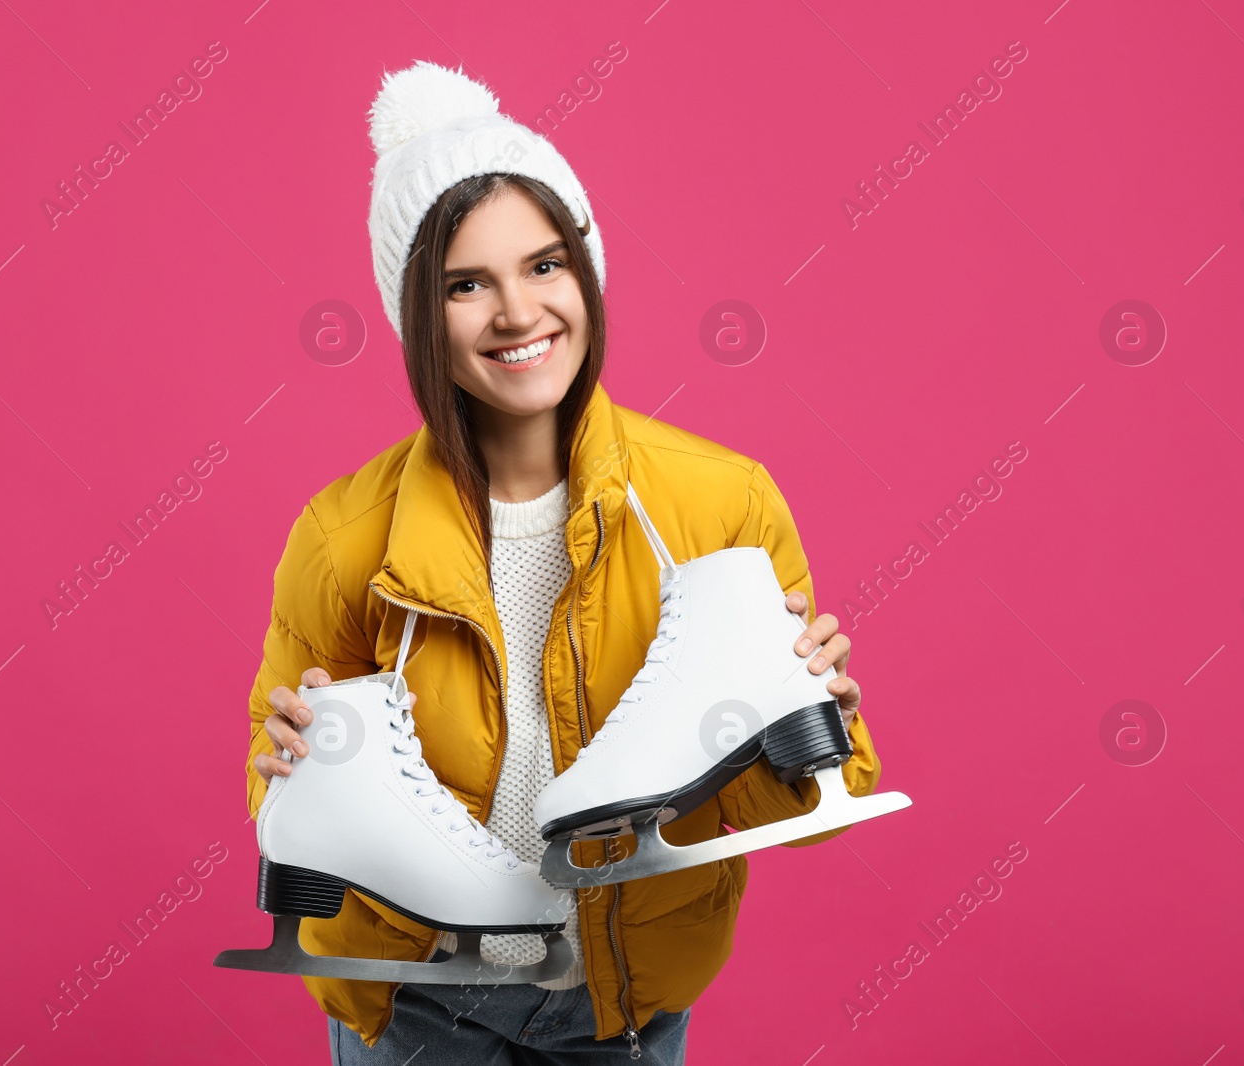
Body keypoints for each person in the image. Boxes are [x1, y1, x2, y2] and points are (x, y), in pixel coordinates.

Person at [245, 60, 884, 1065]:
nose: (516, 313)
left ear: (586, 269)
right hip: (419, 999)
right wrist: (295, 756)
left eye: (544, 265)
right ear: (418, 312)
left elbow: (808, 814)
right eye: (467, 283)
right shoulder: (343, 536)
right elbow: (281, 798)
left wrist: (805, 720)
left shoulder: (719, 502)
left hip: (618, 1000)